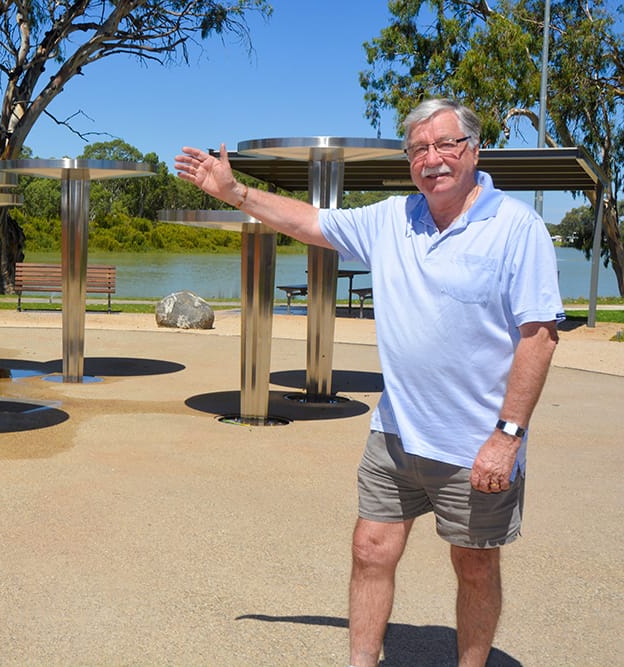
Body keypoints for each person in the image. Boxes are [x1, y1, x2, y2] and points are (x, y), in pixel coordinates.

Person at [175, 98, 562, 667]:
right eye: (419, 150)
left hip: (476, 442)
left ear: (474, 150)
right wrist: (235, 192)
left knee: (474, 565)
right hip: (396, 434)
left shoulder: (516, 228)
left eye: (446, 145)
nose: (433, 160)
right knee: (369, 549)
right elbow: (308, 222)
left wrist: (507, 436)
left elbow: (539, 336)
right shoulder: (391, 219)